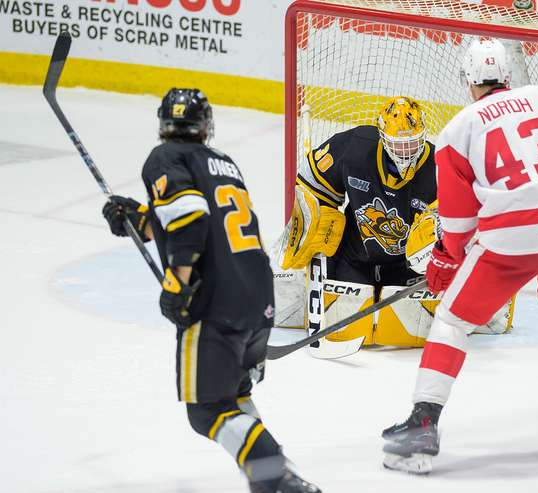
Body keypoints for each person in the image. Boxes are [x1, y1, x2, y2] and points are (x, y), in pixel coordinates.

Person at [381, 38, 538, 474]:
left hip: (512, 241)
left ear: (469, 82)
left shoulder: (458, 129)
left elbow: (458, 223)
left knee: (453, 321)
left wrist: (446, 257)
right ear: (510, 76)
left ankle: (422, 427)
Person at [102, 88, 320, 493]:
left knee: (207, 410)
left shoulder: (164, 157)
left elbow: (189, 220)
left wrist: (176, 282)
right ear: (205, 127)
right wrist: (139, 219)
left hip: (216, 302)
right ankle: (271, 473)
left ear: (164, 124)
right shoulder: (223, 162)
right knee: (234, 397)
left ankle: (279, 482)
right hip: (258, 296)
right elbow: (196, 218)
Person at [276, 97, 513, 348]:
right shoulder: (354, 148)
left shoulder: (439, 167)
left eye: (411, 144)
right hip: (355, 256)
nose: (405, 152)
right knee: (348, 324)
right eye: (397, 145)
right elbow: (311, 180)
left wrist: (439, 241)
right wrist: (312, 222)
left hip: (406, 267)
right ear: (382, 137)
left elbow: (467, 217)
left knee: (409, 335)